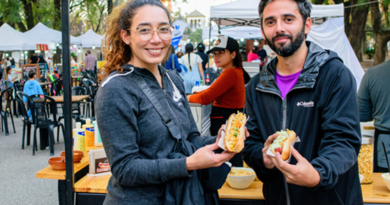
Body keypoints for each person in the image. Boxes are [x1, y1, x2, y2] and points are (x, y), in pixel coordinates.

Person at [94, 1, 242, 204]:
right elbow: (125, 169)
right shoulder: (116, 89)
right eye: (144, 30)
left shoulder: (173, 79)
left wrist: (219, 140)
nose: (156, 39)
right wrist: (188, 164)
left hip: (180, 196)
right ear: (126, 36)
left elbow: (189, 138)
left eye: (163, 29)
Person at [242, 0, 363, 205]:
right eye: (270, 22)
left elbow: (344, 140)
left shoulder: (334, 75)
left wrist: (317, 174)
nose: (279, 28)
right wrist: (263, 159)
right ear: (262, 31)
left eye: (288, 19)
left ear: (307, 25)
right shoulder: (256, 87)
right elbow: (251, 142)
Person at [188, 35, 251, 166]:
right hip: (229, 117)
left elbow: (206, 98)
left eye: (221, 53)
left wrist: (186, 98)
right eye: (214, 54)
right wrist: (195, 93)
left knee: (226, 158)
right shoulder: (235, 71)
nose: (216, 57)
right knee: (231, 155)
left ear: (233, 54)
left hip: (225, 118)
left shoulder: (230, 73)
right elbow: (212, 91)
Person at [358, 60, 390, 172]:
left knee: (381, 188)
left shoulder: (372, 74)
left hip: (385, 151)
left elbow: (362, 114)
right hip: (385, 148)